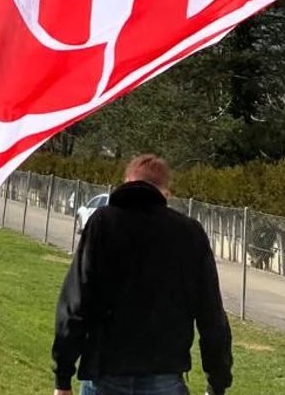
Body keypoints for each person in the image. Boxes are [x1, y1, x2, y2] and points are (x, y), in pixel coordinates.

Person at [52, 154, 232, 395]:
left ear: (126, 182)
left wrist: (62, 376)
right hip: (164, 375)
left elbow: (76, 302)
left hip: (105, 373)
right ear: (166, 193)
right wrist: (217, 380)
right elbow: (211, 313)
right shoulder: (189, 233)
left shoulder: (103, 223)